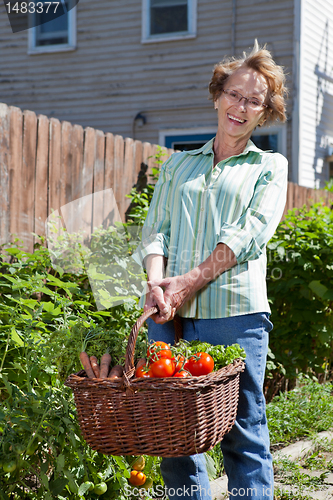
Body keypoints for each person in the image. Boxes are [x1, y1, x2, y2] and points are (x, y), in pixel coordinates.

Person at [134, 41, 288, 500]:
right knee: (174, 440)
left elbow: (248, 235)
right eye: (234, 94)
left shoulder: (269, 167)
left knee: (243, 435)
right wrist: (158, 286)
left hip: (234, 315)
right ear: (218, 95)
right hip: (170, 318)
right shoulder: (180, 164)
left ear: (265, 113)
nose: (240, 107)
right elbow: (155, 231)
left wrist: (186, 282)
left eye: (254, 101)